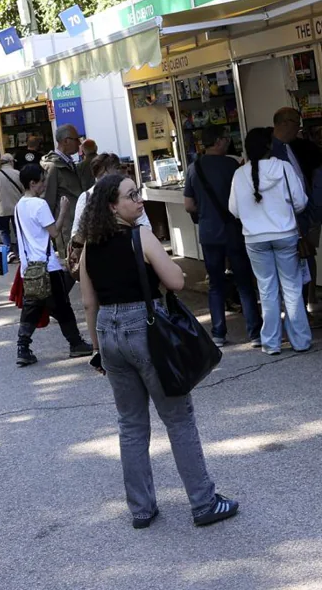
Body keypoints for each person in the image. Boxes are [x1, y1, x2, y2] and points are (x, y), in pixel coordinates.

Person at [79, 173, 239, 529]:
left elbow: (89, 303)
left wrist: (97, 348)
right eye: (131, 196)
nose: (138, 200)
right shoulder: (141, 236)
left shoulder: (90, 245)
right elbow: (177, 282)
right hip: (144, 328)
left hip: (108, 329)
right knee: (178, 418)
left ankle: (141, 508)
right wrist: (171, 264)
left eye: (137, 194)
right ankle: (203, 501)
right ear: (112, 206)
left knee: (131, 425)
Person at [229, 127, 311, 356]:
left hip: (254, 239)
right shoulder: (283, 168)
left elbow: (233, 209)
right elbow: (300, 202)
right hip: (285, 234)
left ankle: (271, 343)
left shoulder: (239, 174)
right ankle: (301, 340)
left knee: (266, 289)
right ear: (269, 146)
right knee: (292, 288)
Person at [183, 126, 259, 347]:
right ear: (217, 141)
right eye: (226, 139)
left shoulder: (193, 168)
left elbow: (188, 205)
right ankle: (254, 332)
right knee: (244, 282)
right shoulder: (231, 166)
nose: (229, 142)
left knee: (215, 284)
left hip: (208, 233)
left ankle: (218, 333)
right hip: (232, 231)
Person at [13, 163, 93, 365]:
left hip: (29, 266)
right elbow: (55, 232)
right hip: (47, 265)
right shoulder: (39, 205)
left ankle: (23, 346)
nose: (44, 184)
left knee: (33, 306)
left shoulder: (19, 205)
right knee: (62, 306)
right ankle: (75, 343)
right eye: (42, 181)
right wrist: (64, 210)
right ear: (32, 183)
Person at [270, 106, 322, 313]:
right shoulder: (274, 152)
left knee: (306, 258)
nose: (299, 128)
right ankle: (300, 311)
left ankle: (305, 305)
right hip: (290, 218)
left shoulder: (291, 147)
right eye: (296, 123)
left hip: (302, 214)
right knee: (298, 264)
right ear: (285, 123)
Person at [41, 124, 94, 255]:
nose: (79, 143)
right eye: (77, 139)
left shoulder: (68, 162)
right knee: (71, 264)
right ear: (66, 141)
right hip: (66, 229)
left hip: (78, 223)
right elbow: (48, 202)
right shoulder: (53, 167)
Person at [0, 153, 23, 253]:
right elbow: (24, 190)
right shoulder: (18, 173)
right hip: (17, 208)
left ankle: (8, 252)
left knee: (4, 231)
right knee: (18, 231)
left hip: (1, 209)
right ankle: (20, 251)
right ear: (11, 162)